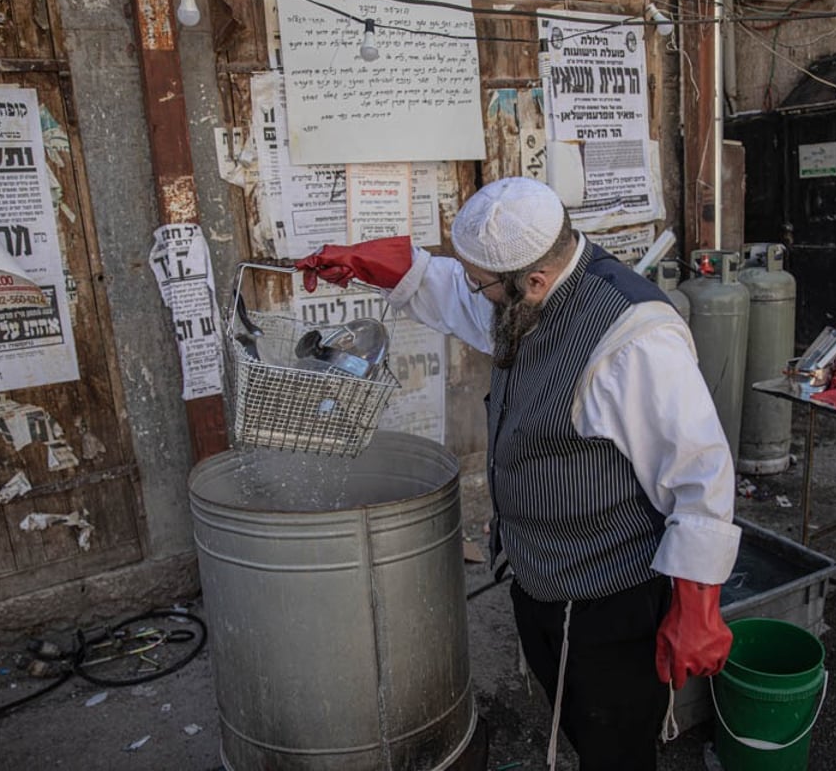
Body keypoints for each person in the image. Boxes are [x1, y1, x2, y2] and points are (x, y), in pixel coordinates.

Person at [296, 177, 741, 771]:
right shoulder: (530, 294)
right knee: (578, 721)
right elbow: (454, 290)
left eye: (486, 286)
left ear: (533, 281)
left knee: (617, 745)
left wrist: (698, 611)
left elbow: (700, 477)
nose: (476, 294)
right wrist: (366, 262)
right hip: (540, 573)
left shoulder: (634, 340)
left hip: (609, 595)